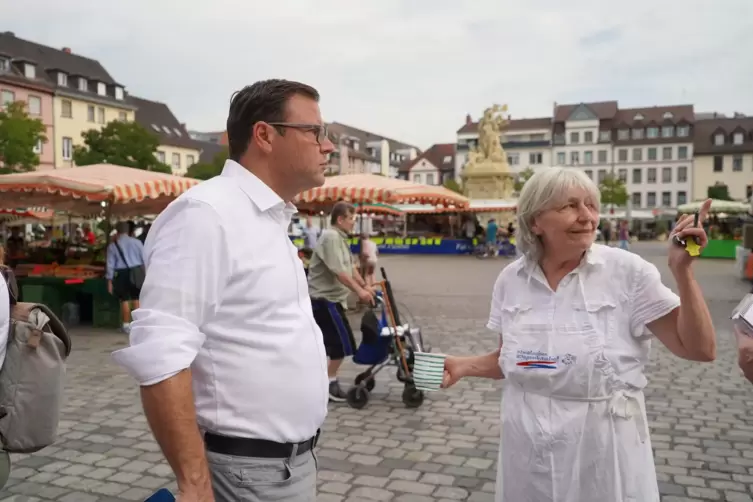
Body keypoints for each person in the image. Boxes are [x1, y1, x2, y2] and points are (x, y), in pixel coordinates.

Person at [112, 79, 335, 502]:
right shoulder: (207, 215)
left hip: (285, 464)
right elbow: (162, 353)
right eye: (315, 132)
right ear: (265, 135)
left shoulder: (266, 217)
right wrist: (195, 485)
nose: (327, 146)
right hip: (248, 471)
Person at [441, 167, 716, 502]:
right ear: (535, 222)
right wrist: (463, 366)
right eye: (569, 206)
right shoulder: (511, 280)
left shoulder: (628, 272)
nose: (587, 217)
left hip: (601, 448)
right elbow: (516, 360)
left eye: (591, 205)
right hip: (528, 449)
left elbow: (699, 349)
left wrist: (682, 272)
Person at [308, 201, 375, 401]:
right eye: (351, 219)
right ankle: (329, 384)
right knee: (341, 345)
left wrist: (365, 286)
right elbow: (339, 272)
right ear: (340, 219)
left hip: (332, 300)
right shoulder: (330, 237)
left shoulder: (339, 237)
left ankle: (325, 380)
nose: (353, 223)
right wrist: (359, 292)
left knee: (336, 344)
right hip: (324, 300)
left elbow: (350, 267)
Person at [106, 221, 145, 333]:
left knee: (124, 300)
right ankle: (138, 324)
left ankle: (126, 325)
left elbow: (110, 264)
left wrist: (109, 280)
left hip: (121, 273)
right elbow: (144, 260)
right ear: (129, 231)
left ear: (117, 231)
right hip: (136, 272)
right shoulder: (137, 243)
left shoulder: (113, 246)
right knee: (136, 298)